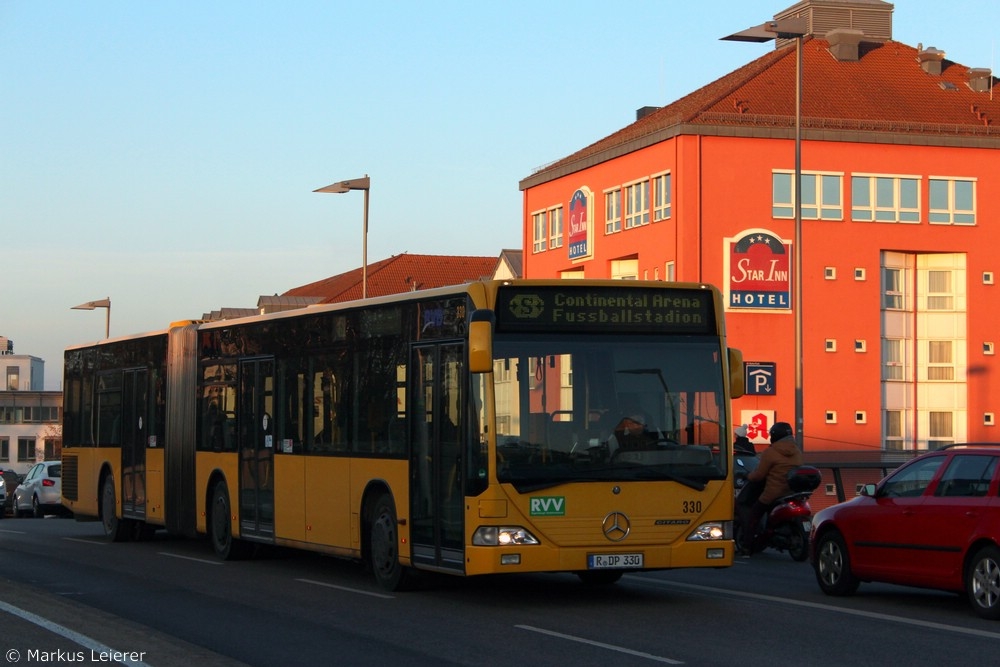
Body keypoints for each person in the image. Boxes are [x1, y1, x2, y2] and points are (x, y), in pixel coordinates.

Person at [737, 421, 802, 557]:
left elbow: (759, 475)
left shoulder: (770, 452)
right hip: (792, 492)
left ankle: (746, 547)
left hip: (773, 493)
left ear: (774, 436)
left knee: (754, 515)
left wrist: (748, 475)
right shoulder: (797, 451)